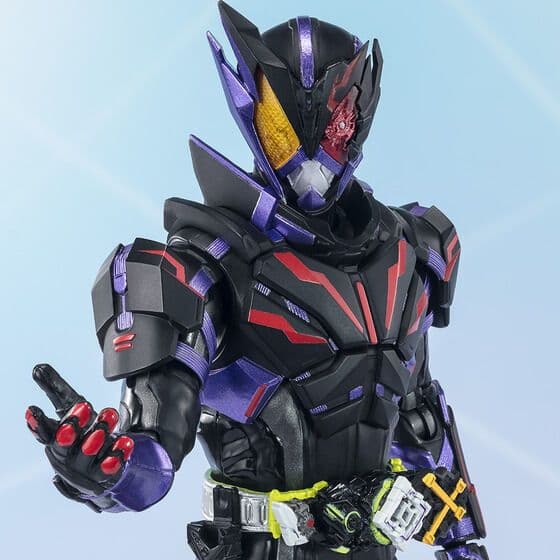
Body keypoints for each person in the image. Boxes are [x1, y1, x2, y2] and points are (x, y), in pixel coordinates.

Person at [25, 3, 488, 559]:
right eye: (283, 131)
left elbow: (420, 422)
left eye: (334, 129)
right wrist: (107, 471)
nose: (310, 160)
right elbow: (154, 456)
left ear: (359, 114)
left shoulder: (409, 254)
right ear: (250, 112)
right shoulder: (207, 265)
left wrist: (464, 547)